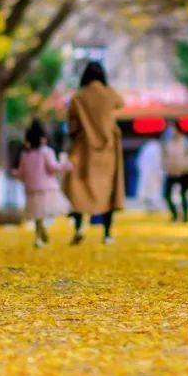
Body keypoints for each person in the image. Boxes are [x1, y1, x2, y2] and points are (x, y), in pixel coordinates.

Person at [63, 60, 125, 245]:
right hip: (108, 152)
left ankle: (79, 227)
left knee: (77, 188)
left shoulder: (78, 98)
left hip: (84, 151)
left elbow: (72, 126)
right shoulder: (109, 94)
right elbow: (121, 103)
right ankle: (107, 234)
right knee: (108, 191)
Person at [13, 119, 70, 247]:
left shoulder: (25, 154)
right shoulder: (46, 152)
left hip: (31, 188)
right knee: (45, 212)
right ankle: (42, 229)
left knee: (36, 214)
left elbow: (21, 172)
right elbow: (52, 167)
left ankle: (38, 238)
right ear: (43, 138)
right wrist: (65, 165)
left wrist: (15, 174)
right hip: (47, 188)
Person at [162, 120, 188, 222]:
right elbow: (164, 156)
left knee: (184, 195)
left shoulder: (187, 141)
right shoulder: (168, 142)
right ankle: (174, 215)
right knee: (166, 195)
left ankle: (185, 217)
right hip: (171, 172)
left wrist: (186, 165)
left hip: (184, 172)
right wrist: (167, 166)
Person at [135, 134, 164, 213]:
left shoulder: (146, 147)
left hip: (149, 173)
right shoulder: (156, 147)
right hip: (152, 173)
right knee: (153, 190)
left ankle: (151, 205)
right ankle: (151, 205)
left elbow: (139, 162)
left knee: (151, 190)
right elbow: (160, 163)